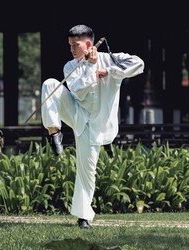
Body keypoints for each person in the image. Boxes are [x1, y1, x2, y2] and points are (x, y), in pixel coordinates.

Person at [41, 24, 144, 229]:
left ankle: (83, 217)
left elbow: (139, 64)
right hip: (77, 113)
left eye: (75, 45)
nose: (71, 49)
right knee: (49, 84)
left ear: (88, 43)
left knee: (87, 170)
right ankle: (54, 132)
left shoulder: (109, 58)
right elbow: (78, 91)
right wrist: (89, 66)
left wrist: (109, 70)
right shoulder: (70, 67)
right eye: (70, 45)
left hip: (96, 125)